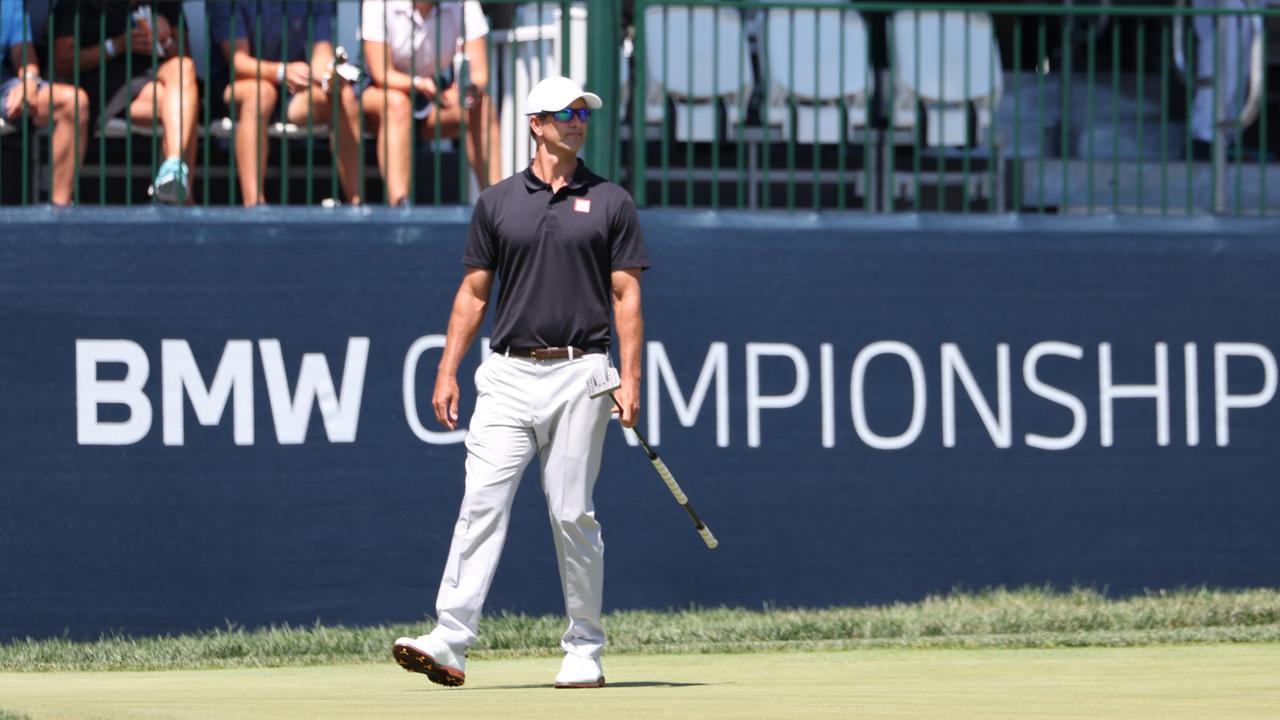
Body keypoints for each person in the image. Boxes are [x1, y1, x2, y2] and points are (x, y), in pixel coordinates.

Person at [392, 76, 648, 689]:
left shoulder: (611, 201)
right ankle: (451, 640)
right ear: (536, 123)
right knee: (480, 502)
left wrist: (630, 377)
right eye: (565, 112)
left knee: (571, 514)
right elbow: (474, 294)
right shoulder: (498, 202)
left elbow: (627, 295)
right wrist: (448, 368)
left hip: (584, 371)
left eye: (584, 111)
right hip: (506, 373)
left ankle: (584, 647)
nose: (578, 120)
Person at [209, 1, 363, 206]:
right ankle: (254, 205)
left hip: (293, 87)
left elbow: (321, 52)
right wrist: (281, 72)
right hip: (239, 84)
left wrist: (330, 75)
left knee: (343, 96)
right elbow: (238, 62)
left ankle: (358, 204)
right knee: (261, 93)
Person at [49, 0, 198, 204]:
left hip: (157, 80)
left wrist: (166, 41)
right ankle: (184, 201)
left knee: (184, 70)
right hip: (105, 84)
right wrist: (117, 45)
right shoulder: (79, 5)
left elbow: (184, 58)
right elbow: (62, 62)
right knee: (183, 106)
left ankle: (173, 166)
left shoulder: (165, 4)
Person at [360, 1, 502, 205]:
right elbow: (381, 73)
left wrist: (464, 90)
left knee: (482, 105)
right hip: (384, 93)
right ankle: (400, 208)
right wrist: (418, 84)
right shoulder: (378, 4)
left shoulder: (465, 5)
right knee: (397, 104)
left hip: (433, 95)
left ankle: (497, 207)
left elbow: (479, 75)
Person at [1, 0, 88, 205]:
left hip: (4, 87)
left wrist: (29, 80)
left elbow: (21, 49)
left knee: (73, 102)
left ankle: (60, 214)